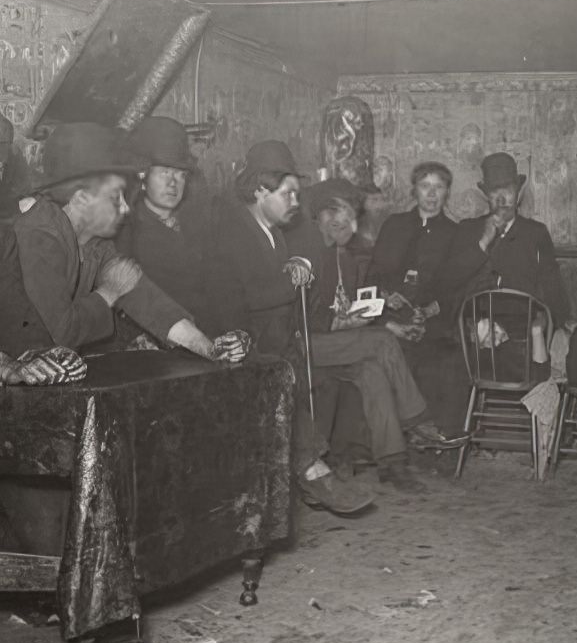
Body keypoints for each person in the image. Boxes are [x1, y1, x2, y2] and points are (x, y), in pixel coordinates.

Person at [209, 140, 374, 514]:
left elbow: (290, 271)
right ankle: (314, 471)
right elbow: (240, 300)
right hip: (239, 349)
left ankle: (310, 473)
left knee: (296, 378)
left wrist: (298, 264)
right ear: (259, 190)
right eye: (289, 194)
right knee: (280, 381)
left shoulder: (274, 233)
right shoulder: (232, 234)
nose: (296, 203)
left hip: (277, 345)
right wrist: (292, 282)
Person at [13, 123, 247, 363]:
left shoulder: (94, 244)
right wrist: (108, 293)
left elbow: (147, 301)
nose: (125, 208)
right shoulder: (38, 238)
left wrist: (210, 350)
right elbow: (58, 335)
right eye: (116, 196)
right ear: (82, 198)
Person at [308, 193, 469, 492]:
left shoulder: (342, 256)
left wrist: (381, 303)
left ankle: (393, 463)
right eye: (342, 222)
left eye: (351, 222)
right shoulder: (308, 256)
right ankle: (420, 422)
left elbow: (351, 307)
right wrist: (337, 322)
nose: (350, 229)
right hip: (306, 344)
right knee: (382, 343)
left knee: (375, 374)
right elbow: (296, 314)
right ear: (324, 219)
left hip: (337, 343)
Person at [116, 116, 221, 336]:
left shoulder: (198, 225)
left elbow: (218, 289)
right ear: (143, 177)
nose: (173, 183)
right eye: (164, 172)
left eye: (180, 174)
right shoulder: (127, 231)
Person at [441, 152, 570, 328]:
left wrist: (542, 328)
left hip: (522, 333)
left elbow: (555, 295)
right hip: (473, 336)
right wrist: (483, 243)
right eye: (495, 191)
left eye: (508, 190)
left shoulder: (535, 234)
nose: (502, 199)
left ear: (517, 191)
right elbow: (448, 282)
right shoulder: (468, 230)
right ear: (486, 194)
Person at [368, 161, 457, 340]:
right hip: (388, 317)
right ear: (415, 190)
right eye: (425, 186)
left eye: (438, 187)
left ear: (447, 192)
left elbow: (455, 286)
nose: (431, 193)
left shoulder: (455, 233)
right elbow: (374, 272)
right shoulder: (394, 224)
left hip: (434, 324)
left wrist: (429, 311)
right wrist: (386, 297)